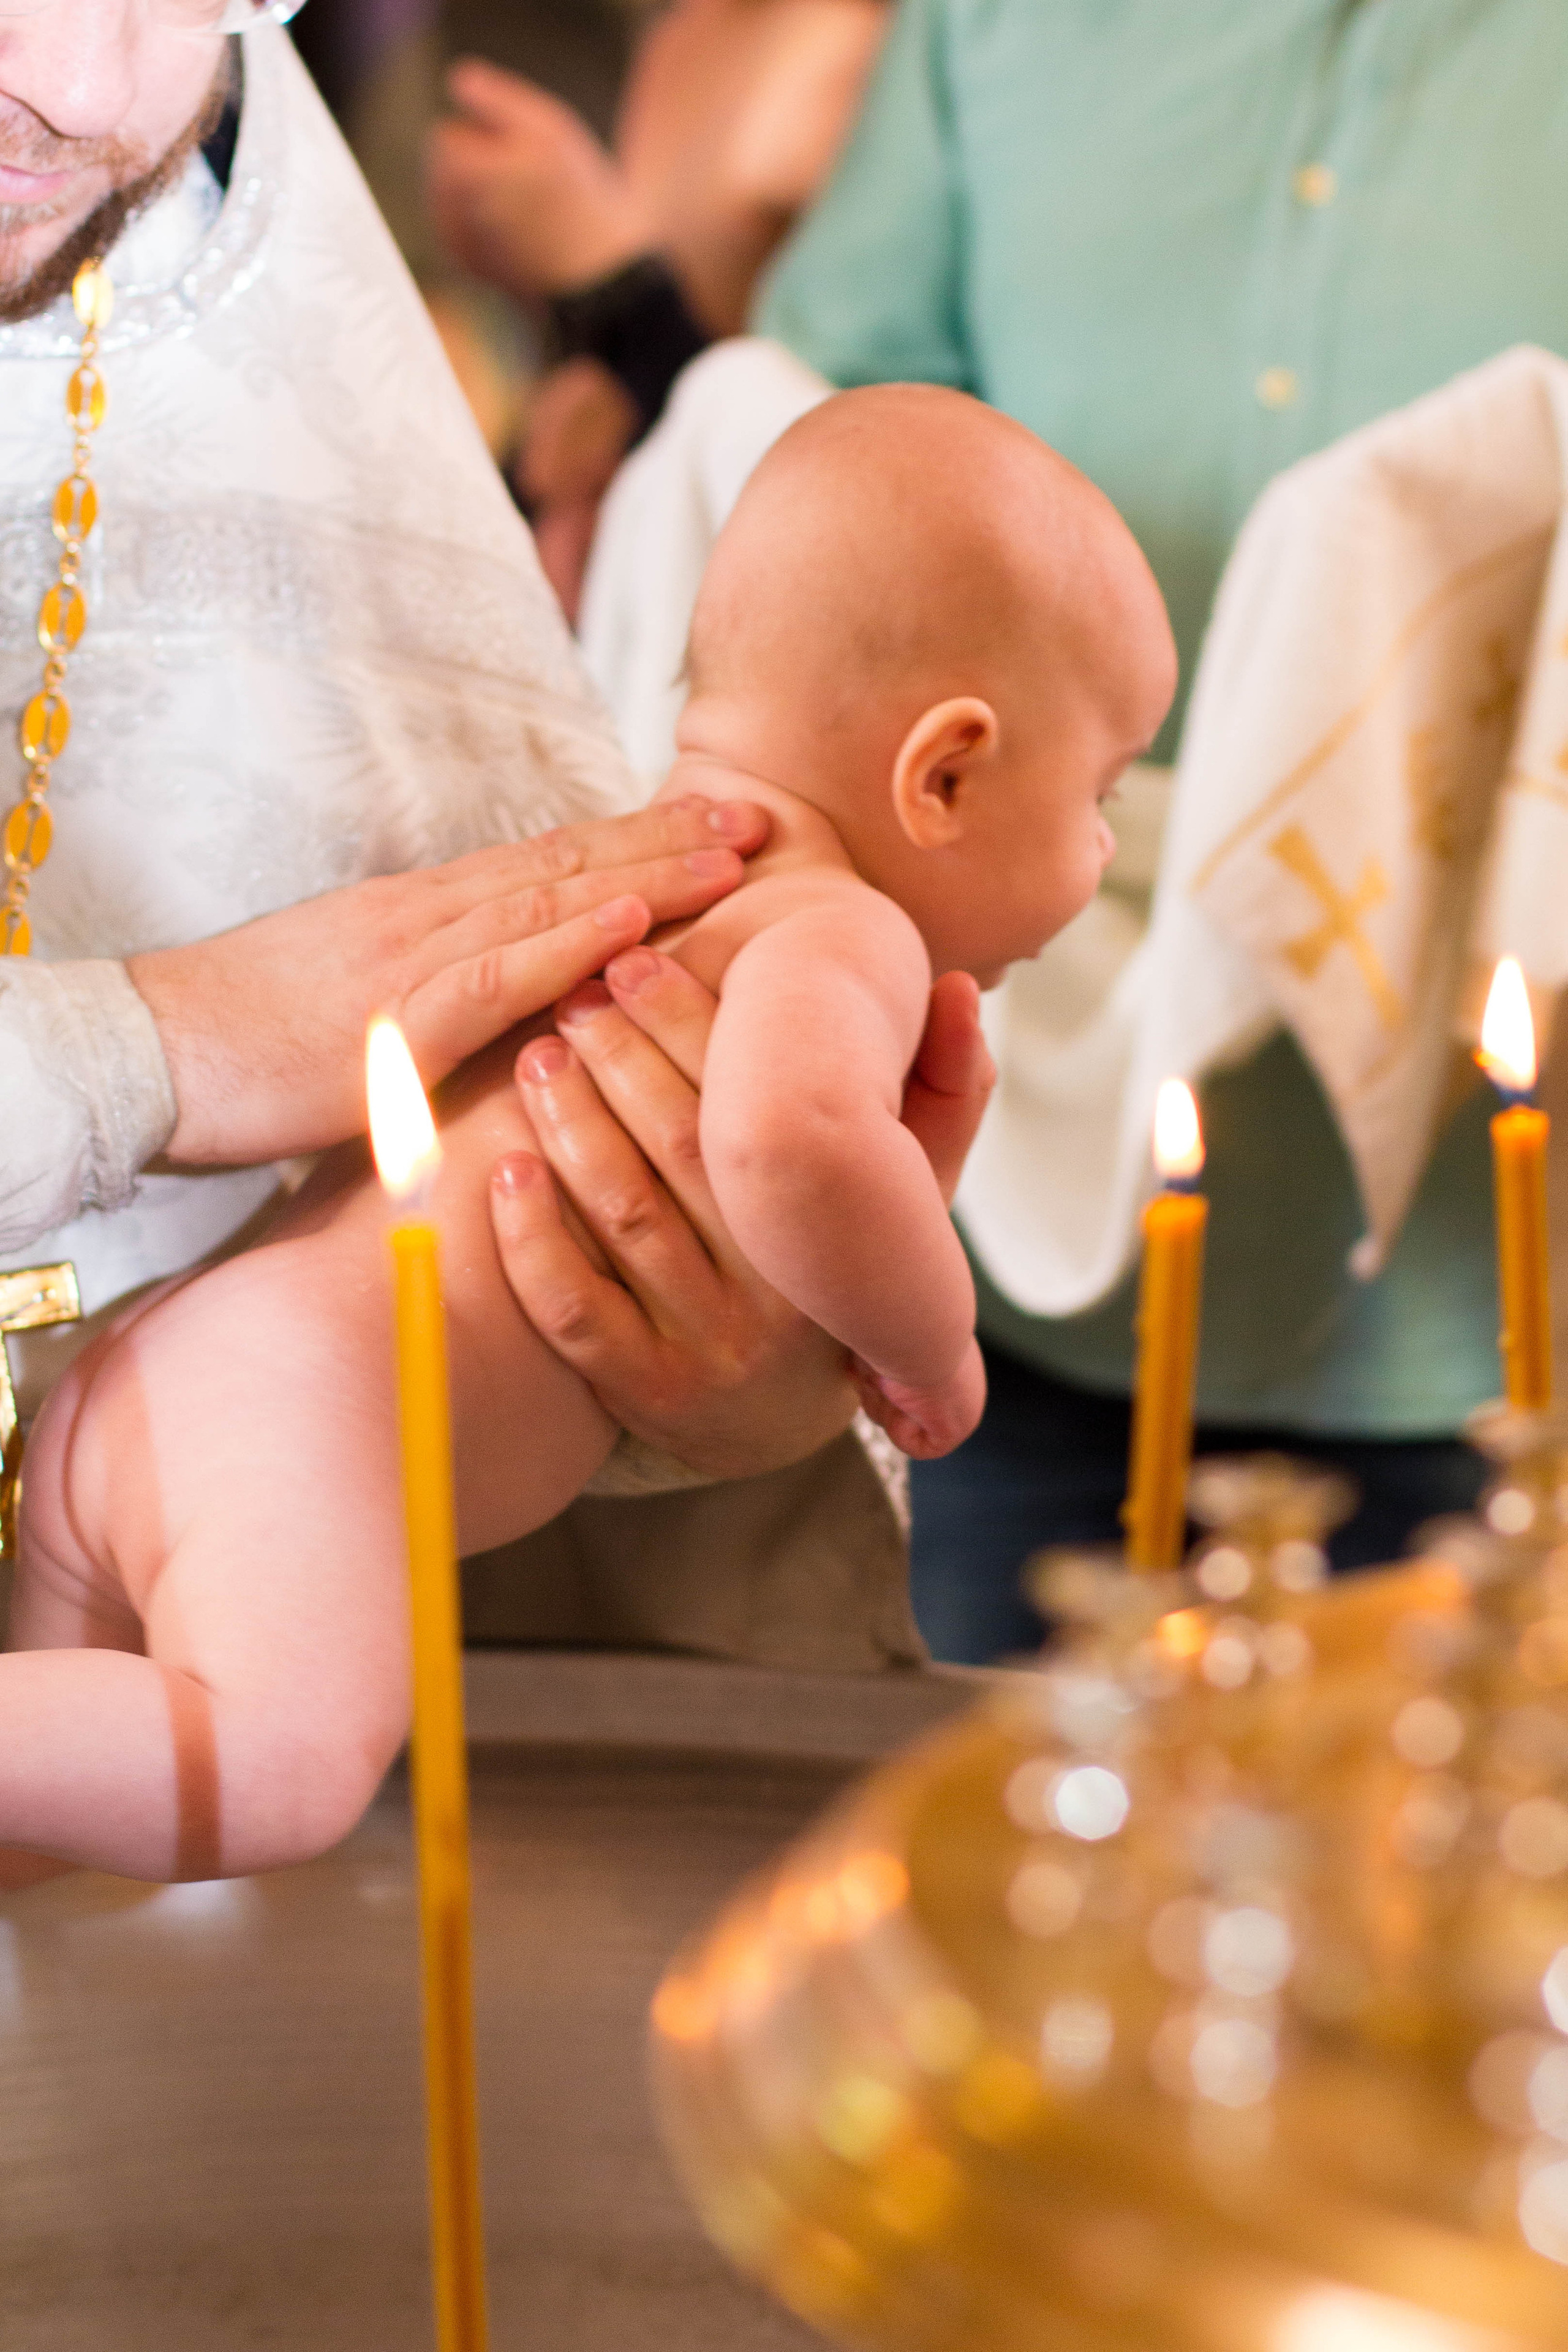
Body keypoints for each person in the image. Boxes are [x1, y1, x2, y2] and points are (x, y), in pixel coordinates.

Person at [1, 386, 1175, 1883]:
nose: (1100, 849)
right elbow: (790, 1145)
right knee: (275, 1771)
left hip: (160, 1369)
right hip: (303, 1416)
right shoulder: (831, 924)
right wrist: (930, 1343)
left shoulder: (614, 880)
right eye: (1100, 792)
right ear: (941, 772)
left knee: (49, 1861)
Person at [0, 5, 990, 1670]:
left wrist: (666, 1365)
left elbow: (465, 1275)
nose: (91, 86)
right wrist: (150, 1052)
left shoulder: (174, 242)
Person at [733, 0, 1568, 1661]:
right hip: (1001, 1278)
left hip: (1503, 1321)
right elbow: (810, 472)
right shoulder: (992, 26)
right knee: (1000, 1869)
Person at [424, 0, 889, 612]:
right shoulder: (682, 36)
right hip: (646, 539)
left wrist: (602, 271)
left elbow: (832, 441)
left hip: (776, 578)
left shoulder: (859, 49)